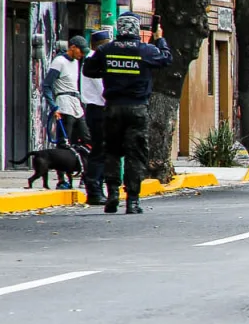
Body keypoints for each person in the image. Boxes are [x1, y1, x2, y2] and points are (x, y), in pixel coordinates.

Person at [82, 14, 172, 214]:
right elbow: (166, 59)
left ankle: (112, 195)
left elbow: (88, 70)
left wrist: (107, 72)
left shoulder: (106, 49)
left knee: (112, 152)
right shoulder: (146, 50)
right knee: (135, 155)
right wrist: (159, 39)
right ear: (136, 30)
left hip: (112, 108)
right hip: (137, 109)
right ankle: (132, 201)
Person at [44, 36, 89, 152]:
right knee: (64, 139)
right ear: (73, 47)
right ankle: (62, 168)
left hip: (76, 102)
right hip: (64, 103)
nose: (82, 54)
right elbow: (47, 85)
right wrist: (53, 107)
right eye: (81, 51)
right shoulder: (59, 62)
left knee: (85, 136)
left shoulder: (76, 62)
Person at [79, 30, 109, 205]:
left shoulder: (92, 59)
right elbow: (103, 90)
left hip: (96, 109)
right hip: (98, 110)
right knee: (100, 150)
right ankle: (94, 190)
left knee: (101, 150)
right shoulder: (95, 61)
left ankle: (97, 188)